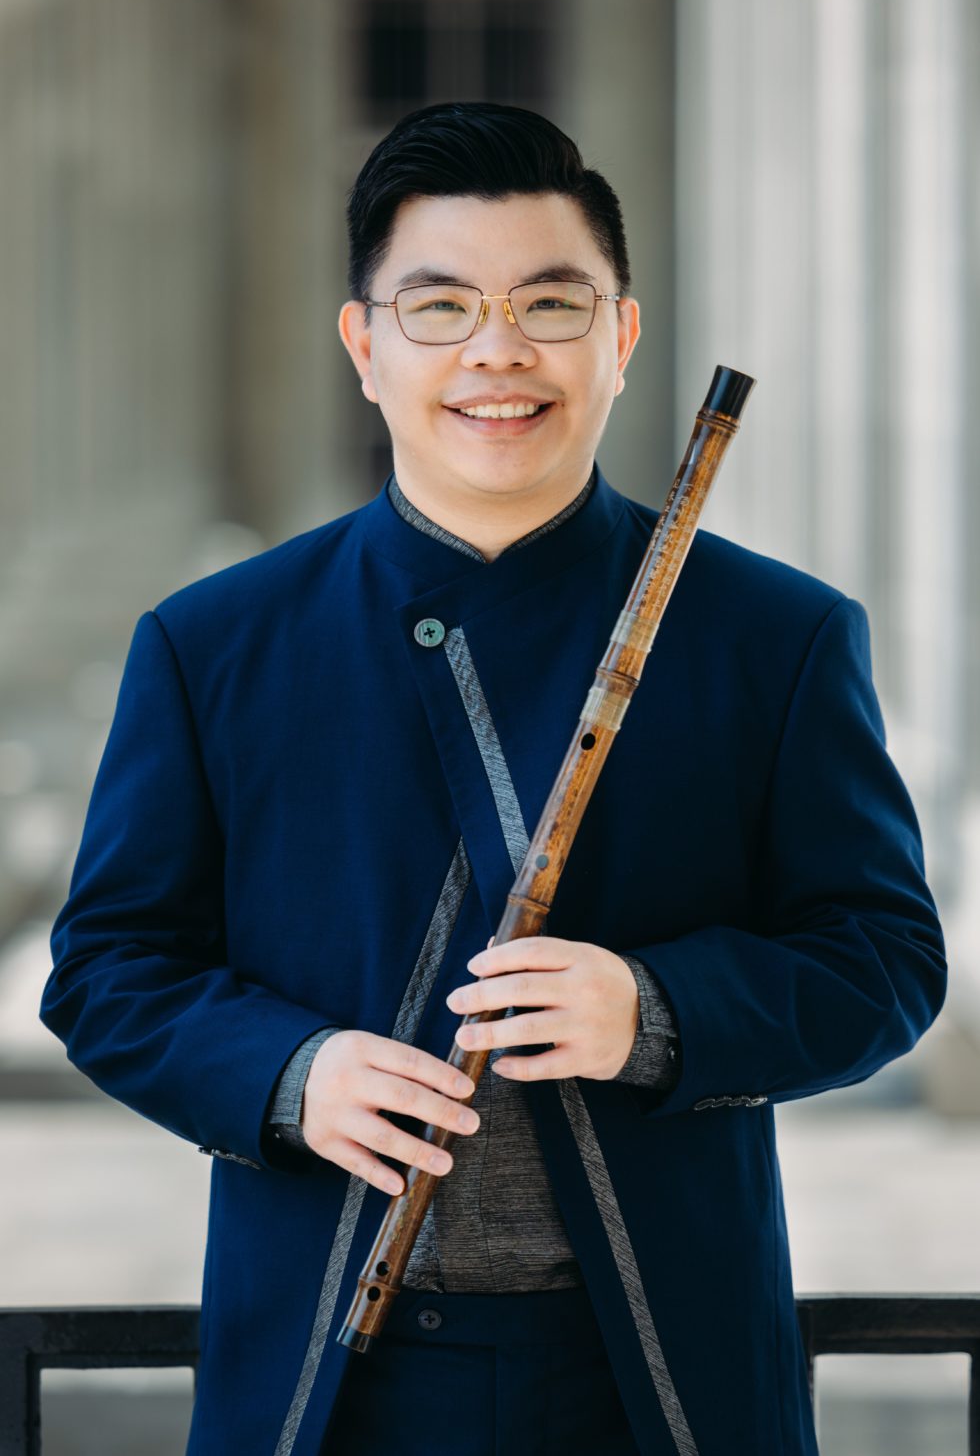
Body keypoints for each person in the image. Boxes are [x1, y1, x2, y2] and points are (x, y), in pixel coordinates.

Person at [39, 101, 947, 1456]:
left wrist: (654, 1009)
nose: (498, 350)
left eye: (551, 304)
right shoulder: (214, 641)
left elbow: (884, 960)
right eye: (440, 306)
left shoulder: (775, 633)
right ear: (364, 347)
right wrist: (292, 1072)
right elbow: (109, 971)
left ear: (622, 338)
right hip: (329, 1382)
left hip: (658, 1376)